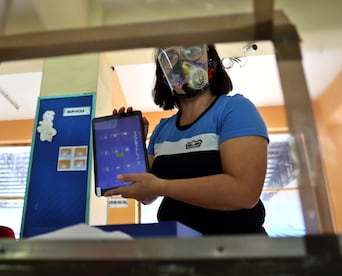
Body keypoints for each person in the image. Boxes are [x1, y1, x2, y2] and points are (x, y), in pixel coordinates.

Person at [104, 44, 269, 235]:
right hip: (180, 249)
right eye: (171, 56)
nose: (182, 61)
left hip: (238, 252)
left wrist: (164, 186)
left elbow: (244, 193)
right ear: (162, 75)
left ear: (212, 62)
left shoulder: (235, 109)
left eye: (192, 51)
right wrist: (134, 146)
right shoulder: (162, 130)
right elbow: (146, 194)